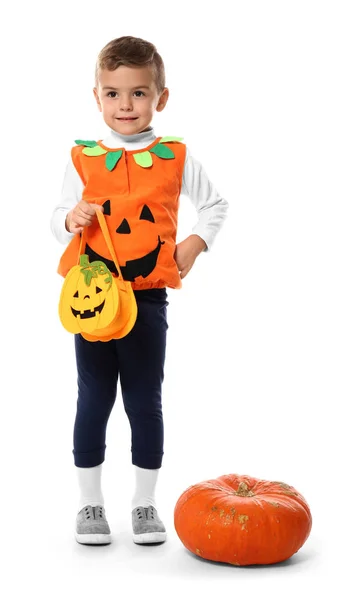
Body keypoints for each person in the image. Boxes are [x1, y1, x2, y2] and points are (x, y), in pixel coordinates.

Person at [51, 35, 228, 546]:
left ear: (160, 98)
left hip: (147, 297)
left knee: (145, 400)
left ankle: (145, 503)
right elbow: (55, 218)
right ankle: (89, 503)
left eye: (138, 93)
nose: (125, 105)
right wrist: (70, 218)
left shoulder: (175, 157)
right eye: (113, 94)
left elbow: (216, 205)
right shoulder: (84, 158)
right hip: (95, 299)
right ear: (97, 97)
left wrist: (194, 244)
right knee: (94, 397)